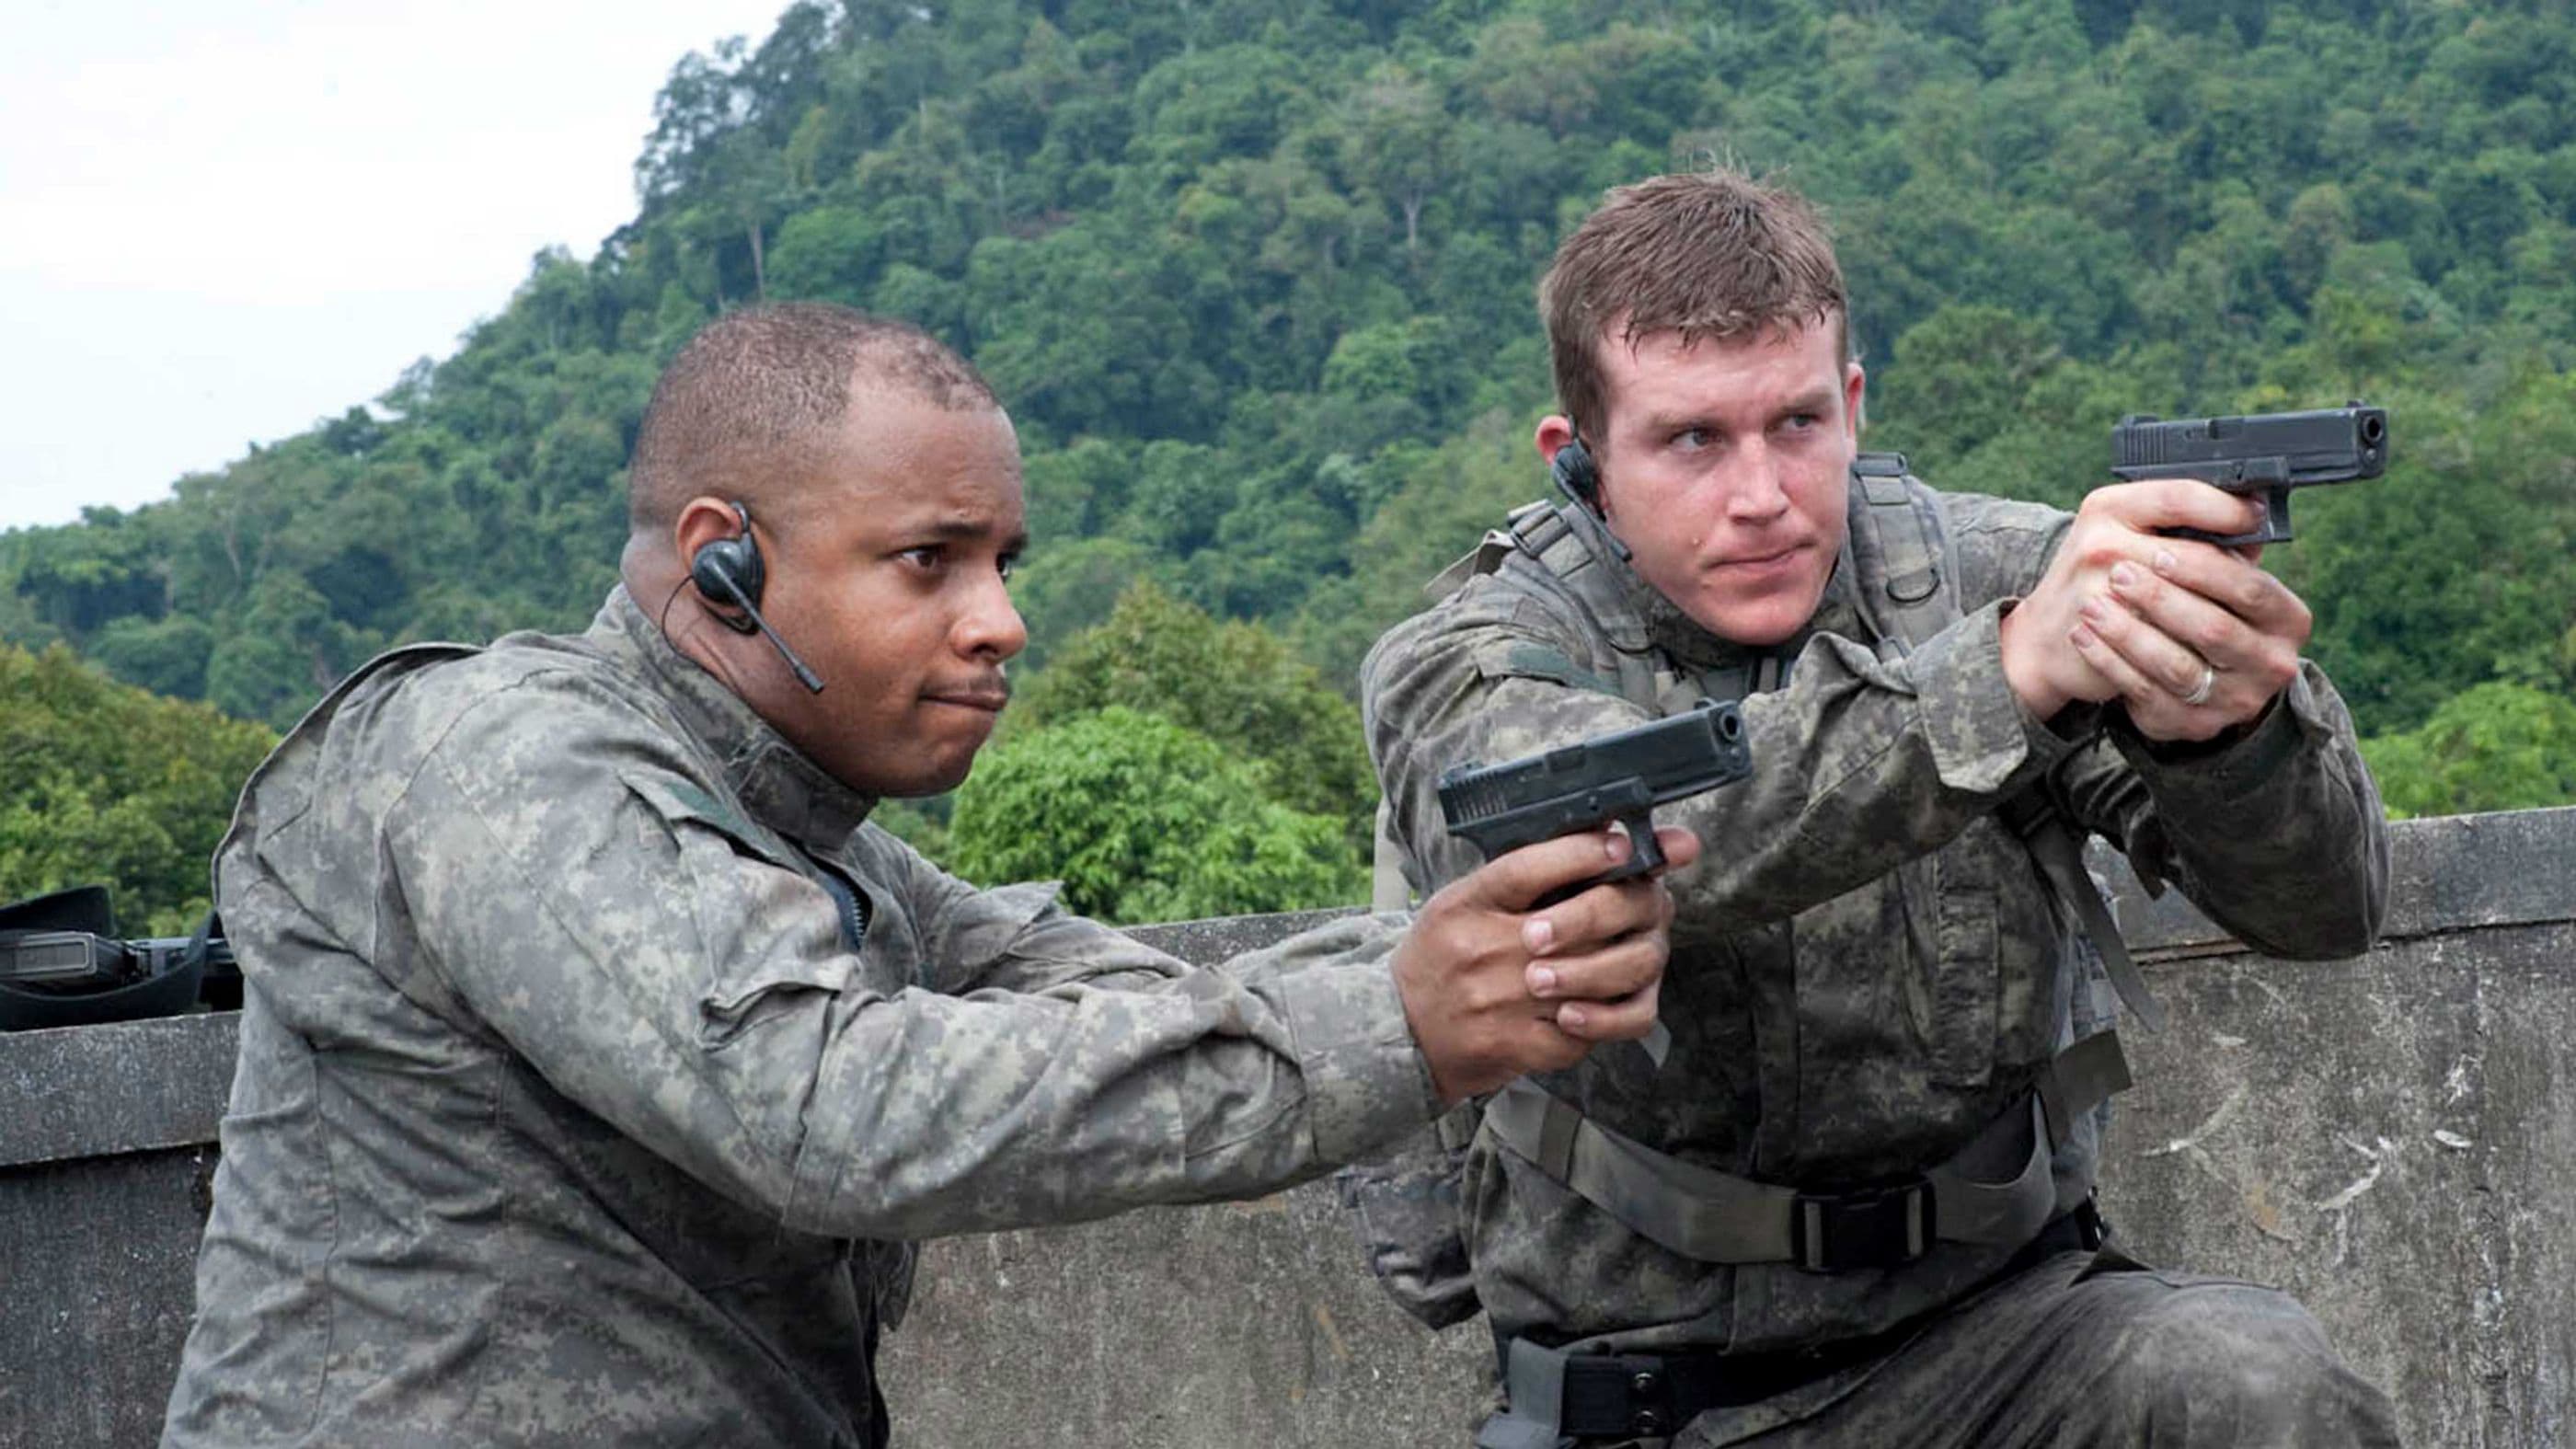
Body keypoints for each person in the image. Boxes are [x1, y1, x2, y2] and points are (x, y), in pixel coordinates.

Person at [158, 302, 1691, 1447]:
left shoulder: (806, 841)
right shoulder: (498, 758)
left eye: (1002, 563)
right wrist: (1404, 1022)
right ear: (725, 562)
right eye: (927, 561)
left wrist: (1498, 958)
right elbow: (831, 1108)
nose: (999, 620)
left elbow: (1098, 987)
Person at [1358, 169, 2403, 1447]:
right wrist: (2002, 680)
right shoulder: (1468, 664)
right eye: (1693, 440)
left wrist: (2229, 735)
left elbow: (2326, 913)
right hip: (1651, 1394)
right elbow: (1665, 833)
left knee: (2254, 1385)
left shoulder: (1996, 578)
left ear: (1851, 405)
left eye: (1797, 423)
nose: (1761, 493)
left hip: (2007, 1343)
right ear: (1580, 455)